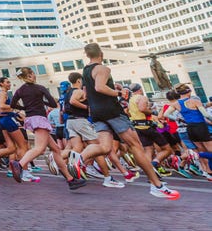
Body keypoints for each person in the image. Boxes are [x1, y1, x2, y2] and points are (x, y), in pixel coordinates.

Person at [72, 43, 180, 199]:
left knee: (104, 147)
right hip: (111, 111)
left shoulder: (85, 71)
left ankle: (78, 158)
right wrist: (118, 92)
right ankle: (156, 185)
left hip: (96, 112)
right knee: (136, 146)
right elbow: (100, 87)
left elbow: (86, 93)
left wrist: (109, 88)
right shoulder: (103, 68)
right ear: (101, 54)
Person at [8, 67, 86, 190]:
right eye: (33, 73)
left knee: (55, 149)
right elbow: (53, 104)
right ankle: (20, 164)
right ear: (30, 75)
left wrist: (25, 108)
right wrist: (42, 103)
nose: (34, 76)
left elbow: (12, 105)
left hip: (31, 118)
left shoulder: (20, 90)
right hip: (39, 118)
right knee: (39, 148)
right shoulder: (40, 88)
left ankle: (70, 179)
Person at [170, 83, 212, 174]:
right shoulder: (194, 101)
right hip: (200, 126)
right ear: (188, 92)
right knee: (209, 149)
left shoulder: (176, 103)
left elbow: (166, 114)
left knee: (201, 148)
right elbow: (206, 115)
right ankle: (191, 156)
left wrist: (177, 119)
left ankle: (207, 170)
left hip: (190, 127)